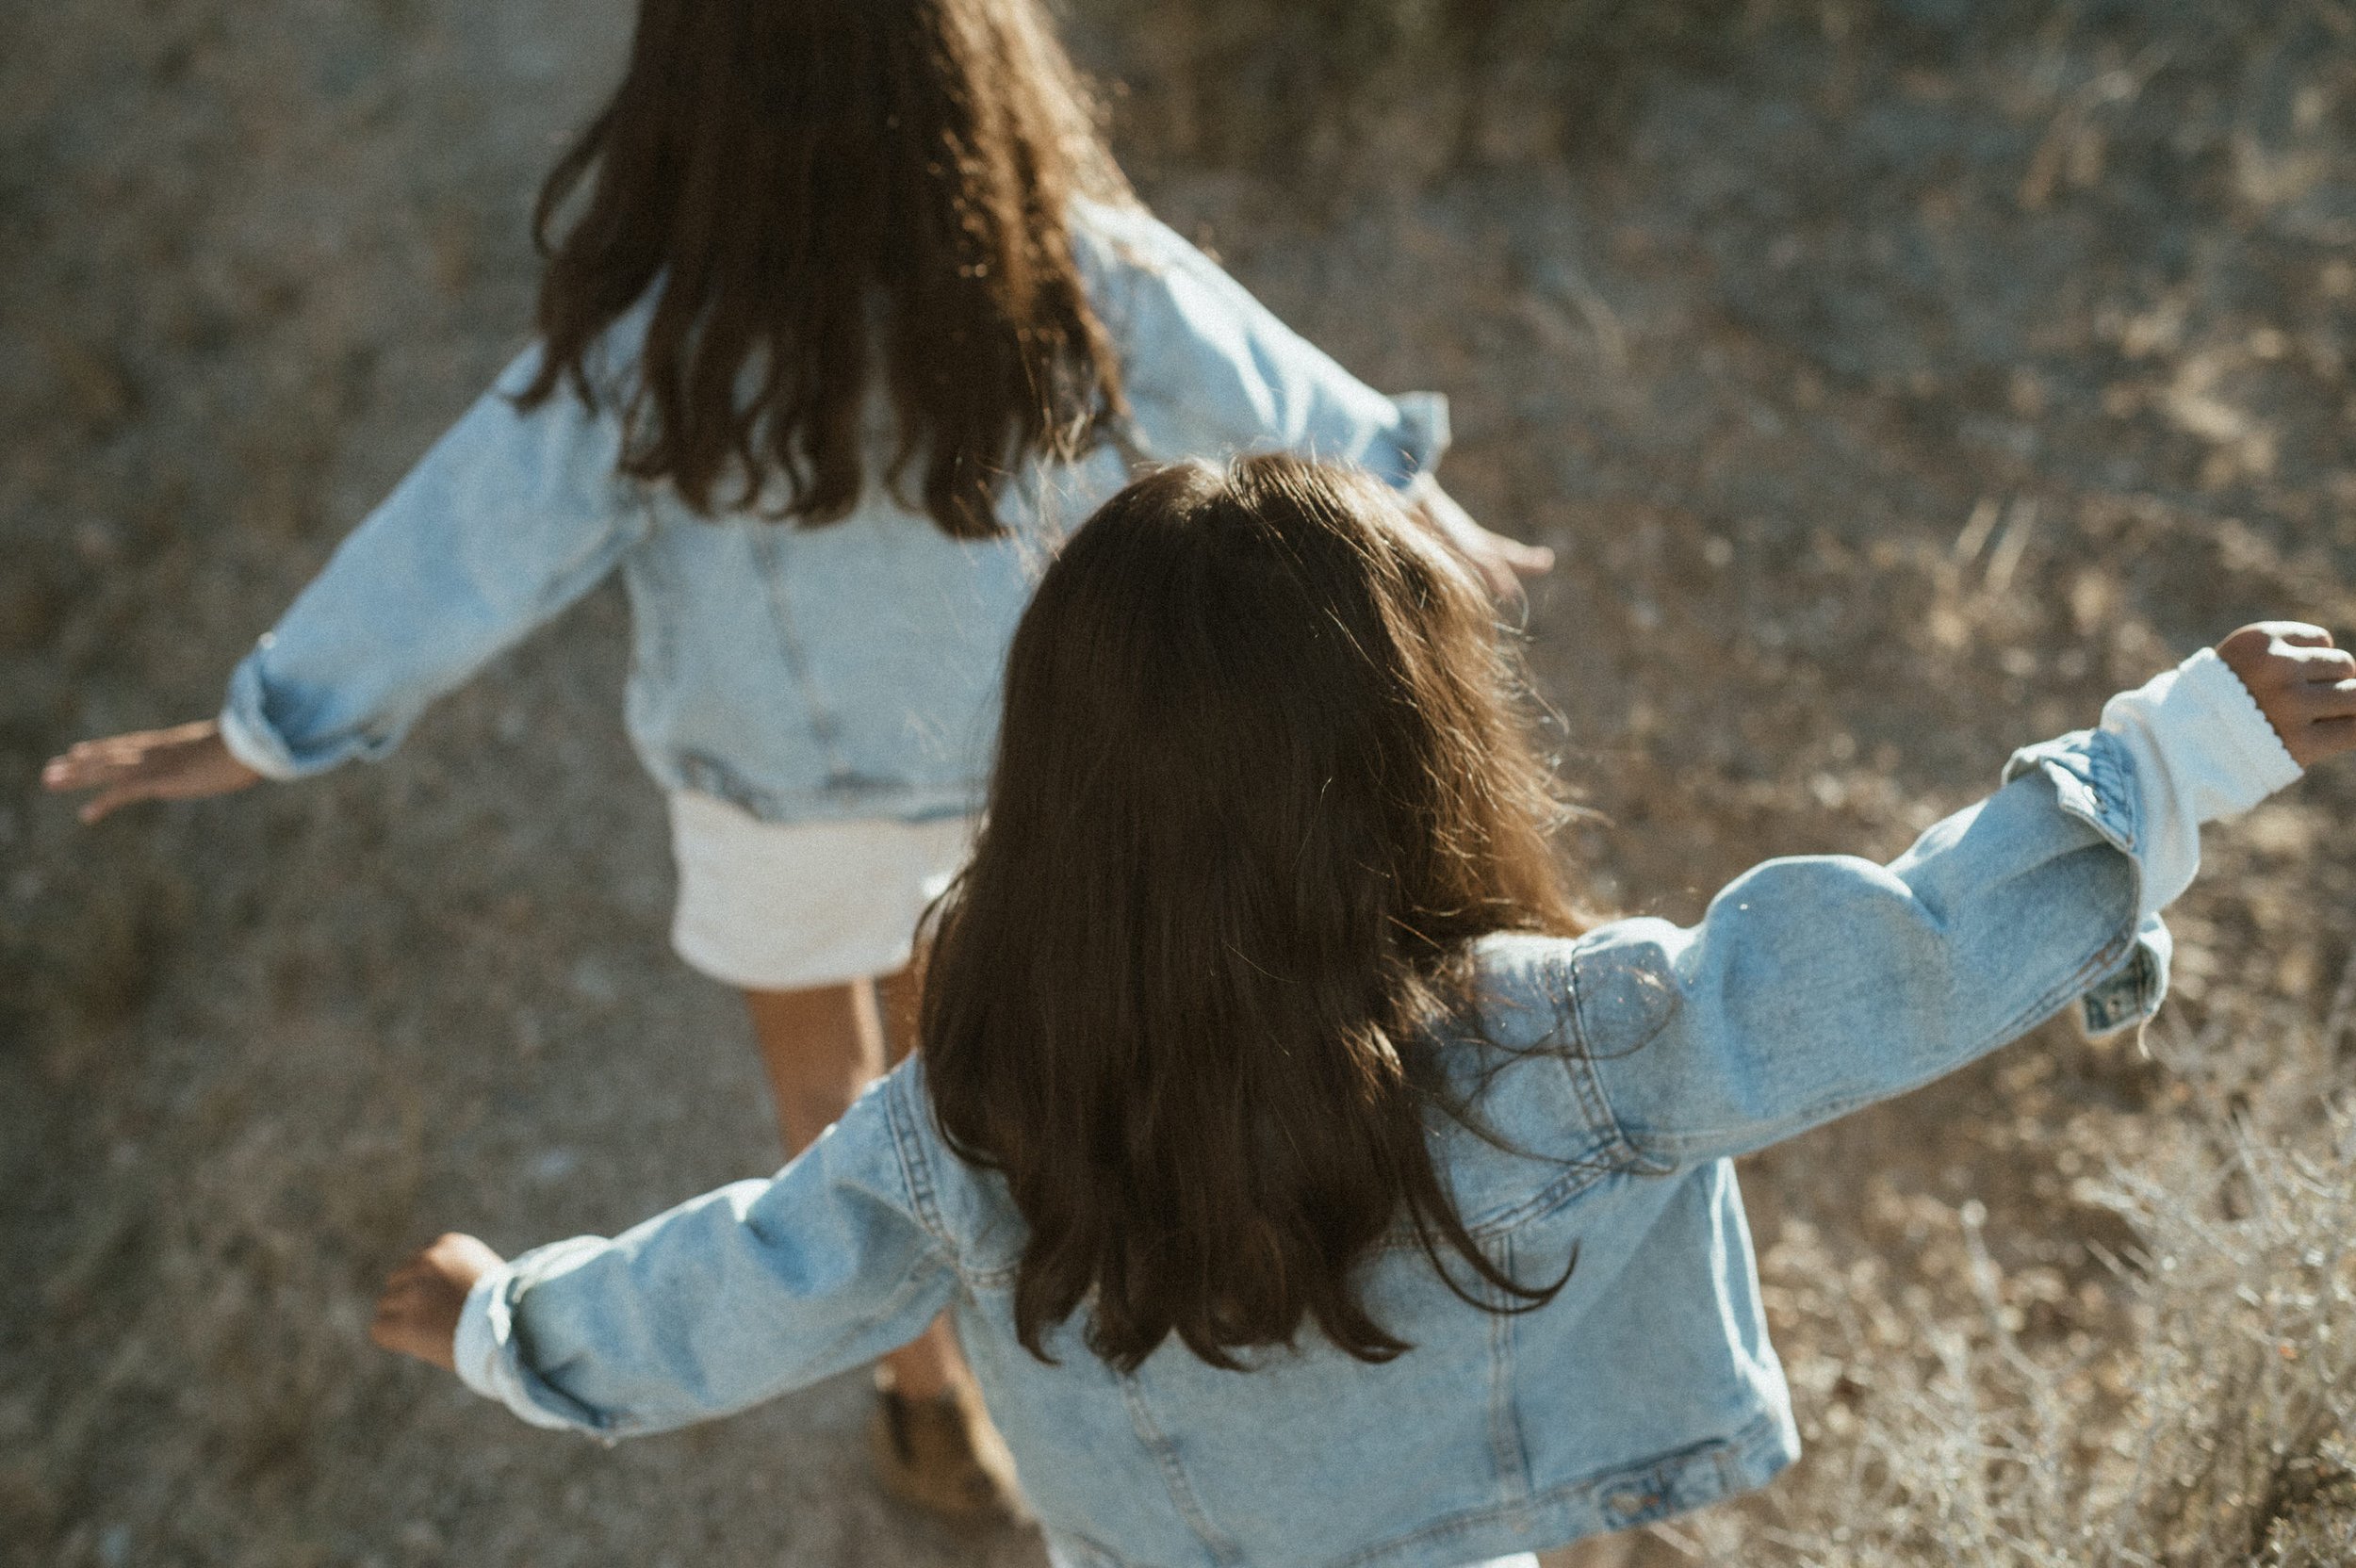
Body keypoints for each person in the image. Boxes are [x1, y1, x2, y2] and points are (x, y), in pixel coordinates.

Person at [39, 0, 1549, 1518]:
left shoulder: (657, 340)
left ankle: (920, 1405)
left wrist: (259, 726)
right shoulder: (1068, 268)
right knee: (998, 1080)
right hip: (1025, 780)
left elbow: (464, 540)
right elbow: (1295, 405)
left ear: (689, 91)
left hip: (771, 805)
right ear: (977, 66)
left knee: (829, 1102)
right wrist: (1418, 507)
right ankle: (1056, 1374)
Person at [368, 454, 2355, 1565]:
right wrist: (2164, 762)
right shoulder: (1551, 1043)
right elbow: (1882, 962)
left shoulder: (982, 1103)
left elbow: (739, 1283)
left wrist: (498, 1320)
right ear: (1408, 748)